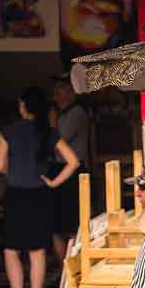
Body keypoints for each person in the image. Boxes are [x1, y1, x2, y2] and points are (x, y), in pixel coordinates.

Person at [0, 87, 80, 288]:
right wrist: (53, 183)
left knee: (12, 250)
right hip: (40, 195)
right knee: (38, 252)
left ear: (22, 106)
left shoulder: (8, 131)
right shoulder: (48, 132)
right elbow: (73, 162)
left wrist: (11, 172)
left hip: (16, 194)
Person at [50, 73, 92, 261]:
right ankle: (64, 271)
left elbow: (60, 139)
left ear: (71, 92)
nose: (55, 92)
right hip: (57, 169)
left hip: (73, 173)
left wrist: (51, 124)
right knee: (56, 225)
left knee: (72, 224)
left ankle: (74, 268)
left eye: (60, 88)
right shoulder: (60, 113)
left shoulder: (77, 113)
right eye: (56, 88)